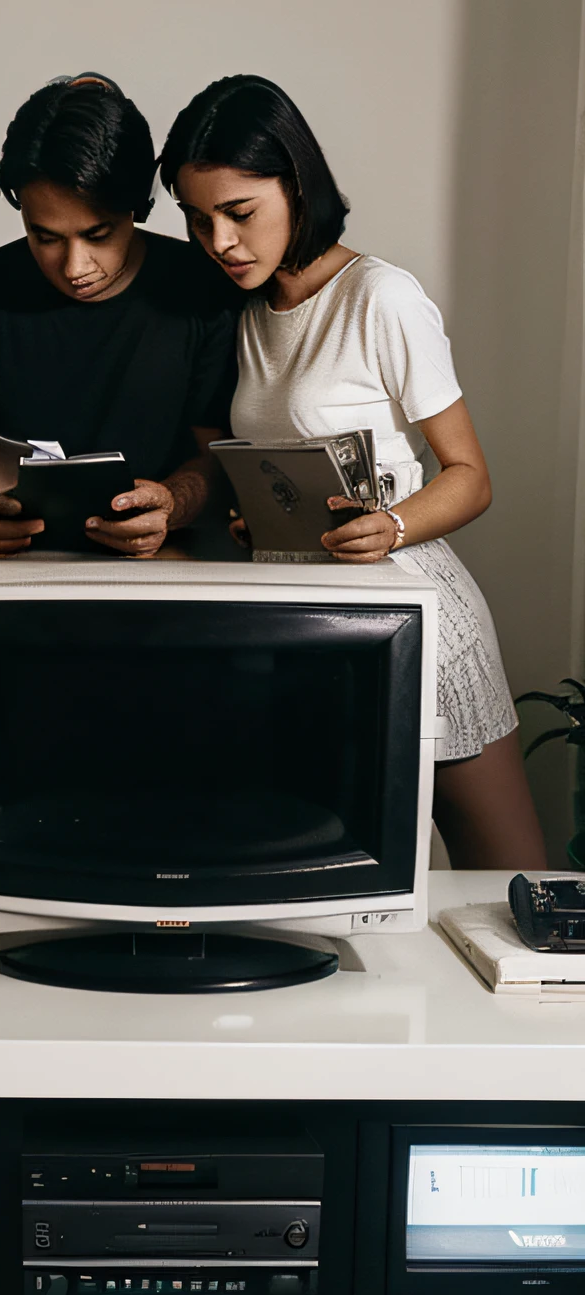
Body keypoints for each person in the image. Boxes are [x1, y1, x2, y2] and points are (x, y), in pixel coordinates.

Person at [160, 75, 546, 870]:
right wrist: (257, 520)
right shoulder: (247, 315)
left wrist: (394, 525)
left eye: (240, 213)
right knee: (350, 889)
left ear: (297, 185)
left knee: (510, 885)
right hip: (317, 634)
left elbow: (471, 474)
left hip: (417, 612)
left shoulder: (381, 297)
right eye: (200, 222)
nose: (220, 243)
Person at [0, 73, 238, 557]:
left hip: (176, 574)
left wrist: (173, 503)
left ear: (138, 207)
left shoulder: (202, 288)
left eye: (97, 234)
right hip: (16, 584)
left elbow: (221, 458)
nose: (74, 268)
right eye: (45, 237)